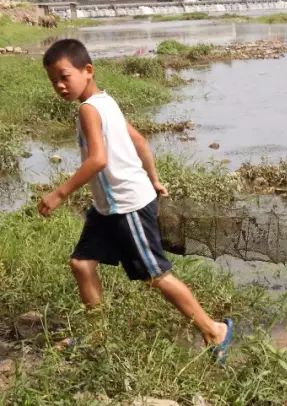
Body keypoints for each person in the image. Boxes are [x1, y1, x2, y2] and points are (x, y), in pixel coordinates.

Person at [38, 39, 232, 363]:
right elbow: (140, 140)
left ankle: (215, 331)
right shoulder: (104, 101)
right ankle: (97, 336)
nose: (59, 85)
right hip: (107, 209)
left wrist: (59, 193)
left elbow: (97, 159)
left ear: (87, 71)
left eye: (64, 76)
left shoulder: (89, 108)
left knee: (155, 275)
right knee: (81, 264)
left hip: (126, 207)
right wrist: (154, 179)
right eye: (53, 80)